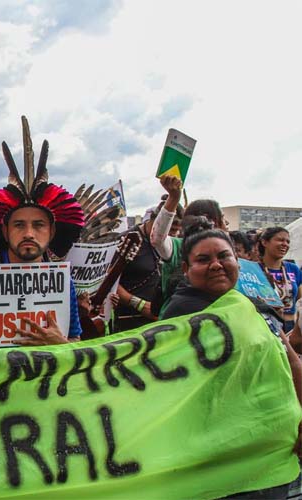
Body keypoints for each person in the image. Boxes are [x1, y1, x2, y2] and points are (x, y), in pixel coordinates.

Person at [160, 221, 302, 499]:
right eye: (203, 260)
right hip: (215, 457)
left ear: (237, 261)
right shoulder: (181, 314)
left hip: (269, 451)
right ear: (187, 271)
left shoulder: (253, 306)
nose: (216, 265)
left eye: (224, 256)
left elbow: (292, 361)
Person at [0, 117, 85, 348]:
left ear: (52, 232)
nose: (29, 233)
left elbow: (75, 340)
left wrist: (60, 343)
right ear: (5, 230)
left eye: (39, 225)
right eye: (19, 225)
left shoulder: (63, 282)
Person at [150, 175, 228, 316]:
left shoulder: (228, 251)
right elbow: (157, 238)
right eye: (222, 218)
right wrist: (174, 198)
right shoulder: (179, 246)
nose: (226, 224)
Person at [110, 198, 183, 332]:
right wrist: (139, 304)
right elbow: (109, 279)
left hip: (160, 320)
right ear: (157, 222)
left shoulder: (172, 245)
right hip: (129, 321)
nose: (173, 235)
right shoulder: (126, 240)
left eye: (177, 231)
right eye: (171, 230)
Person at [258, 227, 302, 332]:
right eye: (280, 240)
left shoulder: (293, 269)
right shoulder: (254, 269)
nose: (285, 244)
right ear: (264, 242)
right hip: (266, 326)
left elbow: (300, 300)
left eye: (287, 241)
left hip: (291, 326)